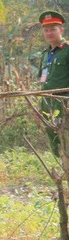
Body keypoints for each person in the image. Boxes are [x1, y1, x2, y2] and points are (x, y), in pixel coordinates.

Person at [37, 11, 69, 154]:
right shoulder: (45, 54)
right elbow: (43, 81)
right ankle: (63, 171)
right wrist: (39, 105)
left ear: (61, 30)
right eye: (46, 30)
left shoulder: (67, 50)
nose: (49, 33)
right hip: (47, 101)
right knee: (54, 139)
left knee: (66, 137)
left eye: (53, 29)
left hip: (63, 100)